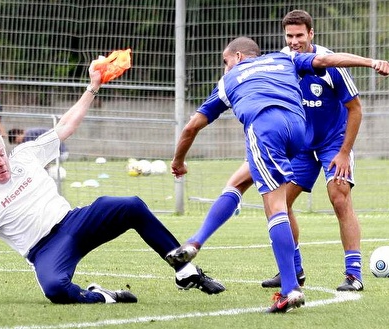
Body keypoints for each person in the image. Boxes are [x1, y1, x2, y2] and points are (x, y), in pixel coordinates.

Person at [0, 57, 225, 327]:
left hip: (74, 221)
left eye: (2, 154)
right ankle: (104, 297)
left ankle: (184, 271)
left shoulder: (24, 155)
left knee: (130, 204)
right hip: (45, 249)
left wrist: (93, 86)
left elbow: (65, 127)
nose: (1, 162)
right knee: (55, 289)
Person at [165, 36, 389, 313]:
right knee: (241, 181)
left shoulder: (230, 79)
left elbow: (190, 128)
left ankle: (290, 289)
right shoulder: (283, 58)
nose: (225, 68)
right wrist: (371, 62)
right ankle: (197, 242)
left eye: (225, 62)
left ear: (237, 57)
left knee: (275, 206)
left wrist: (178, 162)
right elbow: (328, 60)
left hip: (270, 129)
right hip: (298, 131)